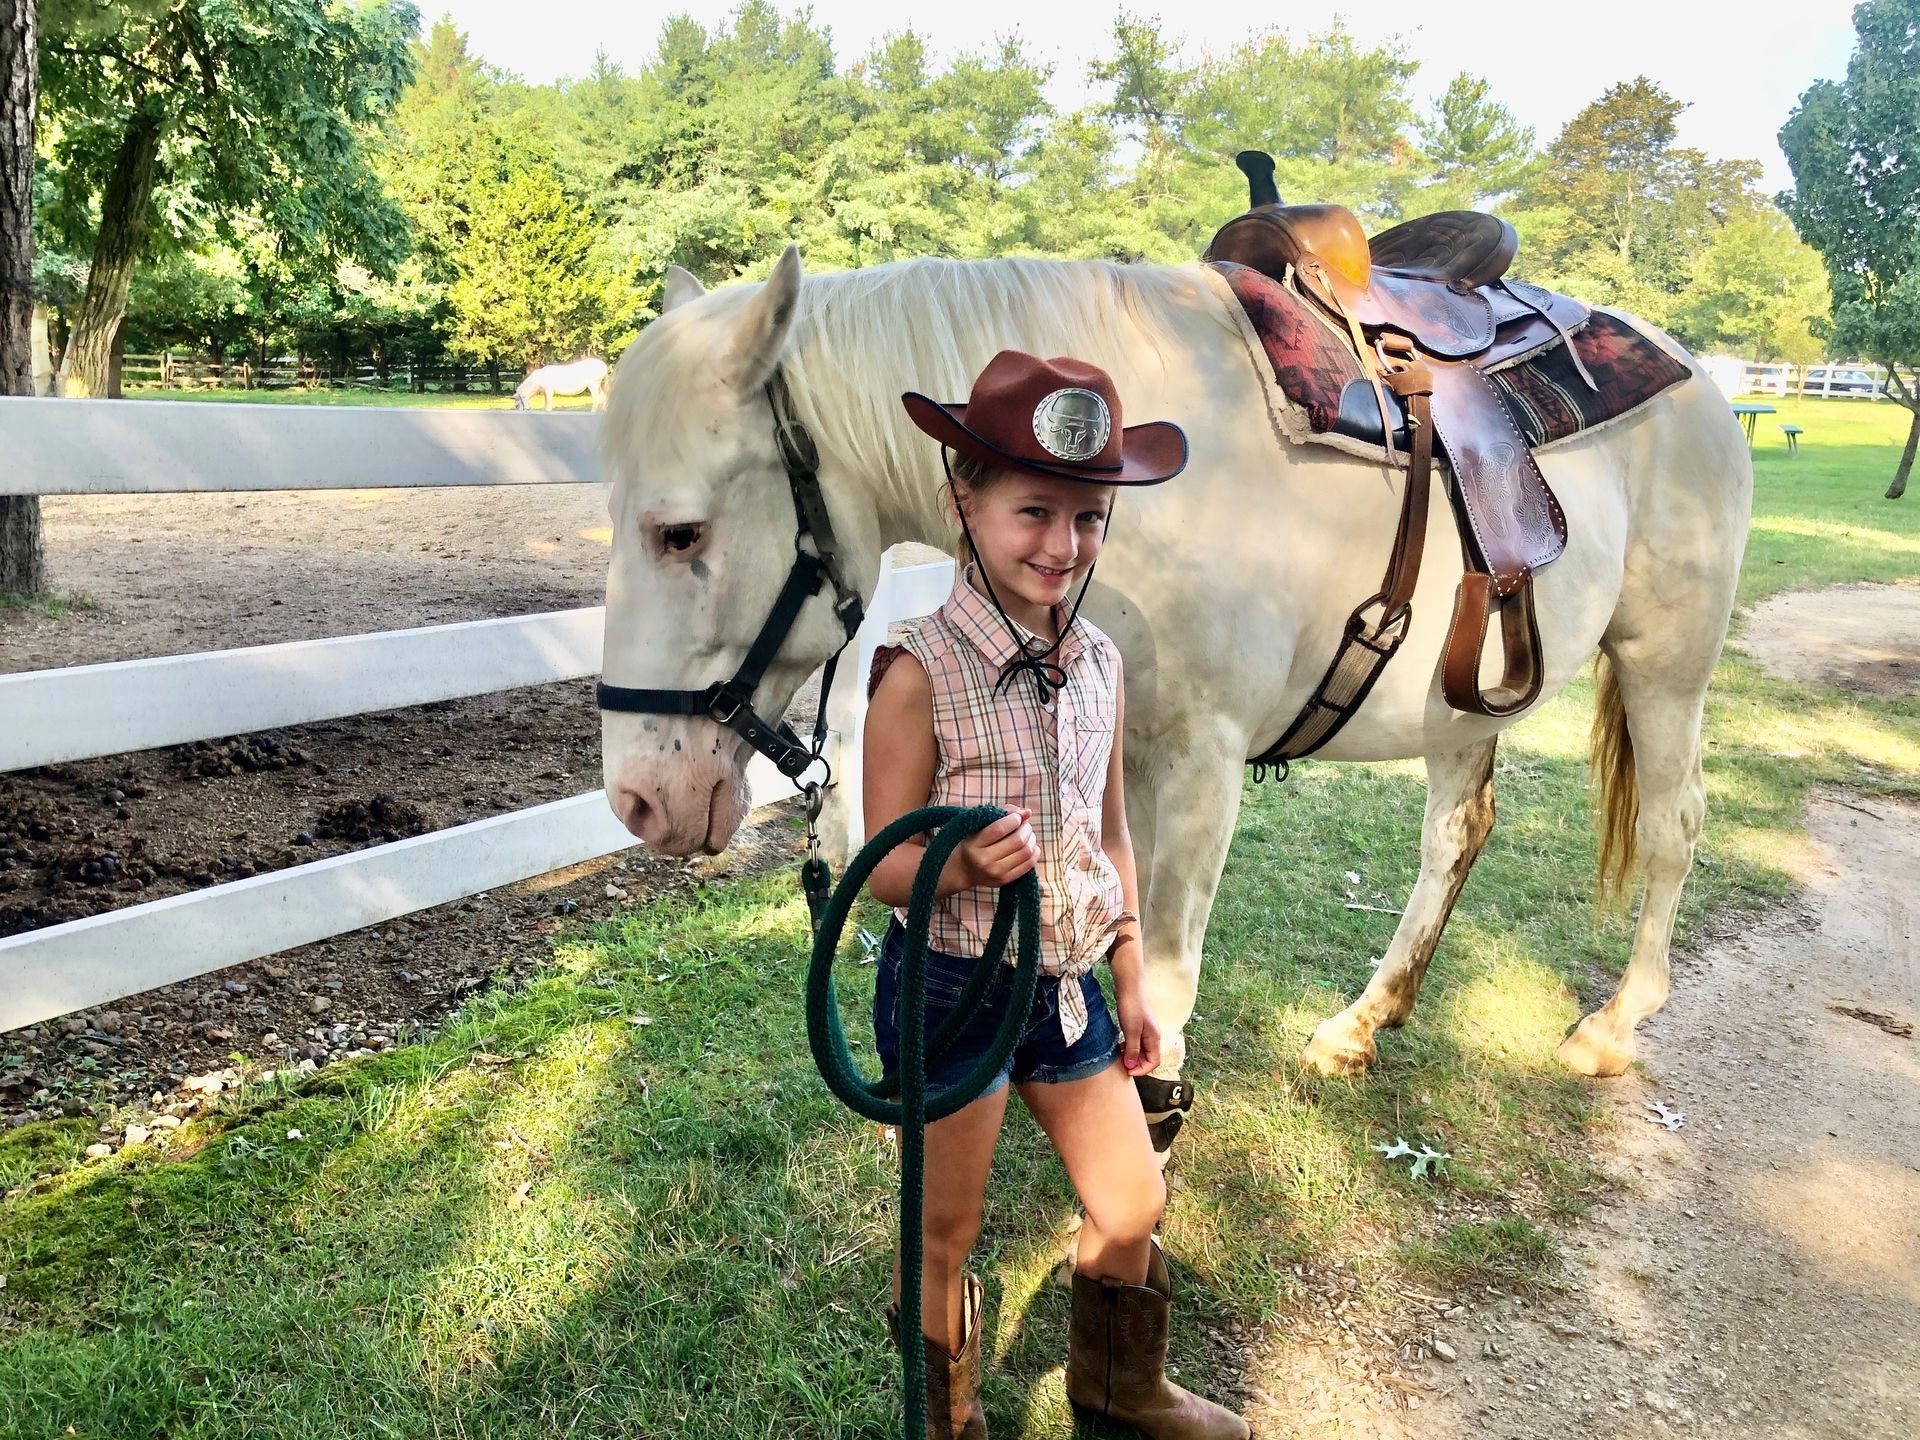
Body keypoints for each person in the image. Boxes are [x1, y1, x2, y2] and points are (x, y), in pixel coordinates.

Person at [862, 350, 1248, 1440]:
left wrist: (1130, 970)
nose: (1062, 545)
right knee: (944, 1230)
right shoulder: (917, 672)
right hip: (955, 986)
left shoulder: (1101, 664)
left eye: (1087, 518)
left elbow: (1110, 831)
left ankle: (1120, 1386)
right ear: (964, 501)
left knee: (1132, 1203)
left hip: (1069, 987)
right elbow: (882, 864)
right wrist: (956, 864)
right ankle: (947, 1422)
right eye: (1034, 510)